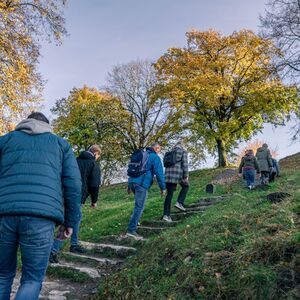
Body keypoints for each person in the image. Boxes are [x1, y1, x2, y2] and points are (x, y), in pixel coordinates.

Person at [0, 112, 81, 300]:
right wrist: (70, 222)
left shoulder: (5, 141)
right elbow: (74, 185)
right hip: (41, 218)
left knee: (2, 275)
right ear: (47, 126)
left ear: (25, 122)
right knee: (32, 279)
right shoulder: (61, 145)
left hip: (4, 215)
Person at [50, 145, 101, 263]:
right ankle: (53, 251)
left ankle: (72, 244)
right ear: (96, 153)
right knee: (72, 221)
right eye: (98, 156)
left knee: (68, 220)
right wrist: (94, 201)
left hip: (63, 194)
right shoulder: (93, 165)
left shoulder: (74, 161)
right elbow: (94, 185)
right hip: (77, 196)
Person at [126, 143, 166, 240]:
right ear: (156, 149)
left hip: (133, 182)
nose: (159, 151)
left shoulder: (141, 154)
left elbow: (133, 169)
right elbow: (159, 173)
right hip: (141, 184)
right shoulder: (154, 157)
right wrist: (163, 188)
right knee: (139, 207)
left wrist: (129, 185)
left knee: (138, 205)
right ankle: (131, 230)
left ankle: (135, 222)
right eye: (159, 149)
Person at [163, 142, 189, 223]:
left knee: (169, 195)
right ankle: (179, 202)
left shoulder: (169, 153)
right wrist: (186, 176)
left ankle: (166, 215)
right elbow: (185, 164)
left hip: (168, 176)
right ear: (182, 146)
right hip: (178, 174)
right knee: (186, 186)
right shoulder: (183, 152)